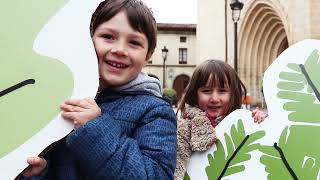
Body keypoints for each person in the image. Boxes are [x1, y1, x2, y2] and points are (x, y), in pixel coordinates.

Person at [20, 0, 177, 179]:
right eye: (108, 37)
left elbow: (156, 176)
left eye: (134, 42)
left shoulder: (155, 111)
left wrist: (94, 128)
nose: (120, 50)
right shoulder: (64, 96)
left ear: (148, 55)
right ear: (88, 40)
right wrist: (39, 172)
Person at [174, 59, 267, 180]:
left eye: (222, 91)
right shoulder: (185, 128)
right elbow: (179, 166)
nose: (214, 98)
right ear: (195, 94)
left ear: (233, 93)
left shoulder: (242, 122)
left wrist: (257, 121)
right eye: (206, 91)